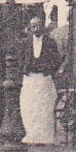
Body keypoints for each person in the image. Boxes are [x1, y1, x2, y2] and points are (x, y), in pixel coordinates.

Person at [19, 15, 62, 145]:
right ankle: (31, 134)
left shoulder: (50, 42)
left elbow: (56, 60)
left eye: (38, 26)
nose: (36, 29)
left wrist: (48, 70)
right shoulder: (25, 43)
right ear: (30, 28)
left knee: (44, 107)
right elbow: (20, 59)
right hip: (30, 78)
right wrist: (24, 69)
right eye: (33, 26)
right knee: (29, 107)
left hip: (44, 78)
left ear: (43, 27)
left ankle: (44, 137)